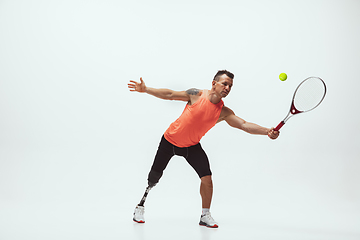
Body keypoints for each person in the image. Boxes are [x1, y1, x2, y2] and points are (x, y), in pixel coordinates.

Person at [127, 70, 279, 228]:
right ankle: (140, 206)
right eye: (224, 83)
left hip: (191, 146)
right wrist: (146, 89)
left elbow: (244, 125)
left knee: (207, 178)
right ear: (214, 83)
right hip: (169, 141)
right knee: (153, 177)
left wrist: (267, 131)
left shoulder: (223, 112)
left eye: (230, 86)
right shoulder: (196, 94)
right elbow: (170, 94)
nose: (227, 87)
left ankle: (205, 215)